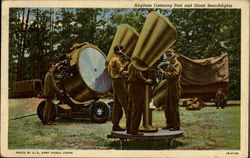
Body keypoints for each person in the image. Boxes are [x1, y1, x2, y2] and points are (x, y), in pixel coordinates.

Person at [159, 48, 182, 131]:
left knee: (174, 108)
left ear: (173, 56)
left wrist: (164, 73)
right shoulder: (171, 64)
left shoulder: (177, 64)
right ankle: (169, 124)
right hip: (169, 88)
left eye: (169, 57)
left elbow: (174, 75)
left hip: (175, 88)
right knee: (167, 107)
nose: (168, 59)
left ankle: (176, 126)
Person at [127, 62, 152, 135]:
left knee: (130, 108)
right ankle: (134, 130)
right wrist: (146, 81)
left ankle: (129, 128)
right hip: (136, 86)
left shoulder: (131, 64)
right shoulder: (136, 64)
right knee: (137, 109)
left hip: (130, 86)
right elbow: (137, 74)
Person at [107, 44, 128, 131]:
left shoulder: (111, 60)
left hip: (114, 82)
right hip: (119, 82)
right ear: (120, 52)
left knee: (117, 105)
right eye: (123, 51)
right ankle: (130, 125)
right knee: (126, 104)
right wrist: (132, 71)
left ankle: (115, 125)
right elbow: (122, 73)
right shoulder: (117, 61)